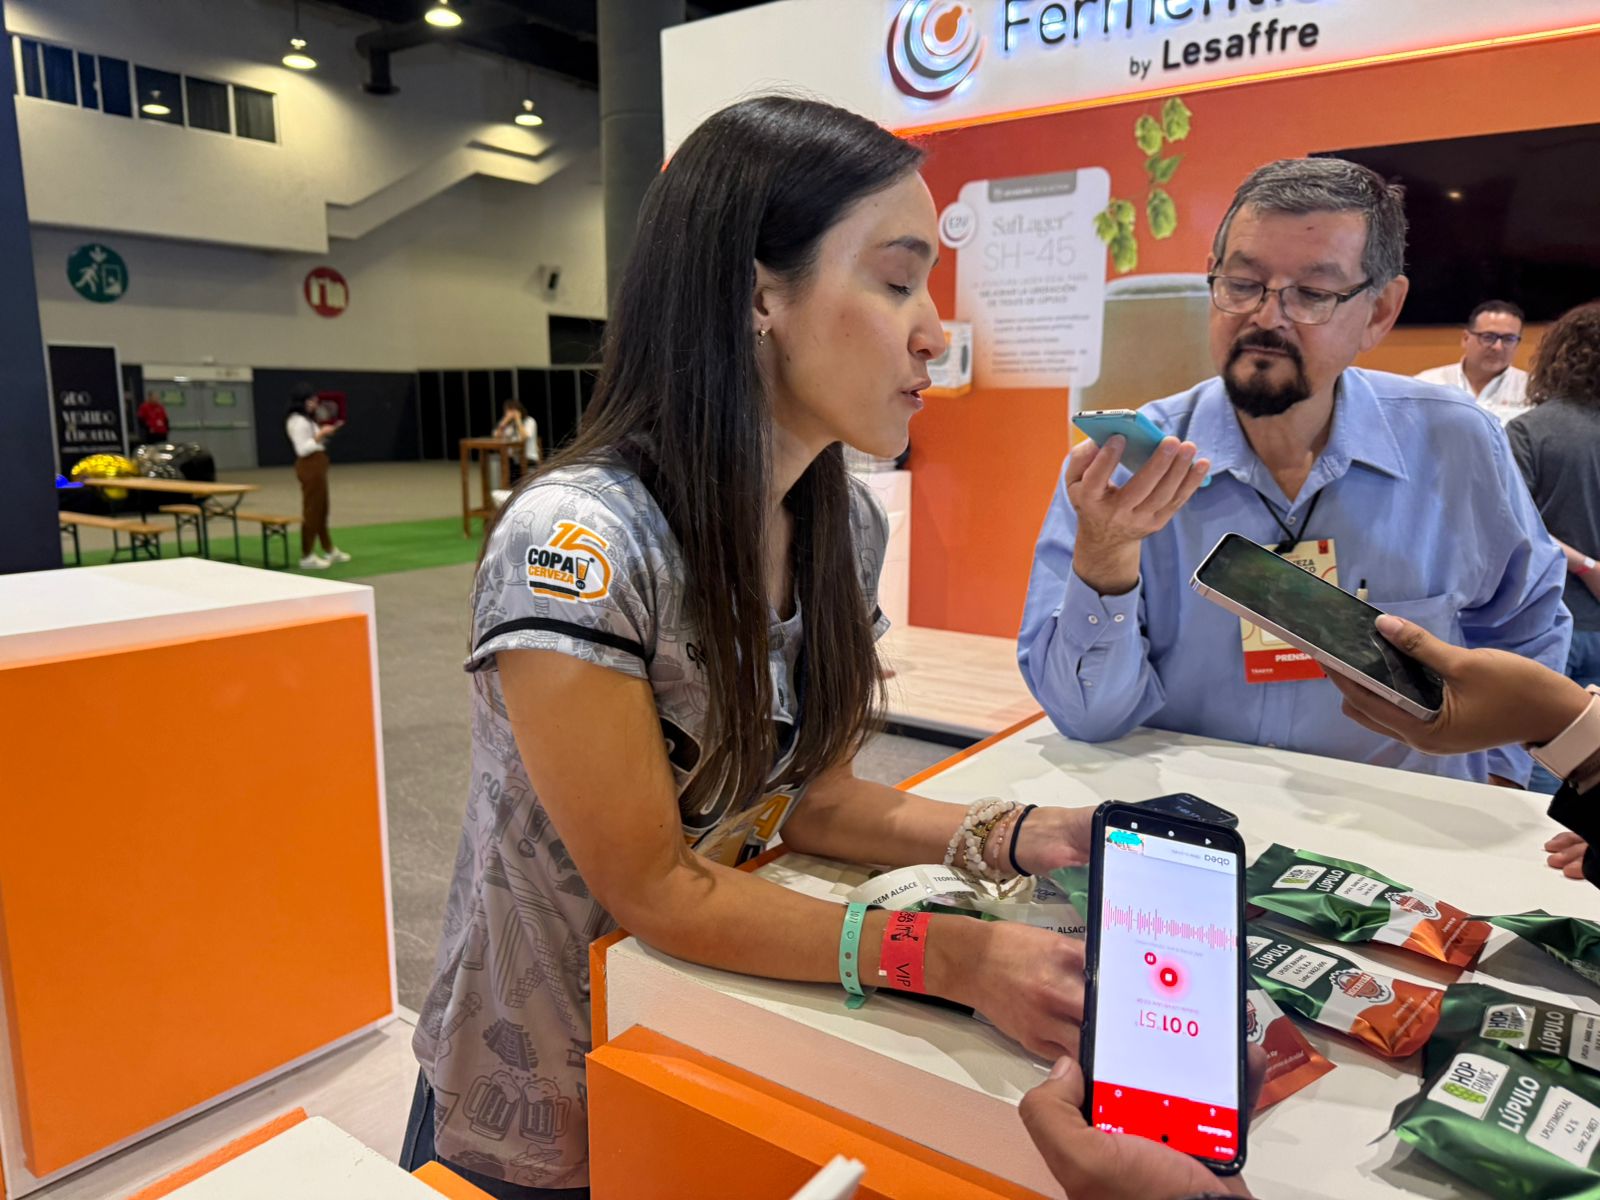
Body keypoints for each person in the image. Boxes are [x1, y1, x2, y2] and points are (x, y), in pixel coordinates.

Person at [403, 96, 1098, 1198]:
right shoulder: (577, 543)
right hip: (541, 1086)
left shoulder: (842, 523)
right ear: (758, 294)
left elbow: (815, 801)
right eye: (896, 280)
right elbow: (658, 888)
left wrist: (1027, 835)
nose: (933, 332)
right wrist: (951, 956)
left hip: (715, 1032)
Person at [1019, 158, 1570, 788]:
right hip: (1196, 817)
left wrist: (1502, 779)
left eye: (1311, 294)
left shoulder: (1456, 444)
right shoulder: (1127, 470)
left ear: (1380, 310)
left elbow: (1526, 626)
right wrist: (1106, 557)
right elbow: (1086, 719)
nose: (1266, 317)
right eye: (1242, 283)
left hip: (1403, 821)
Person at [1506, 302, 1600, 792]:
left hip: (1550, 621)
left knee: (1548, 764)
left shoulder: (1528, 431)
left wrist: (1585, 566)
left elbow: (1515, 528)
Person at [1416, 300, 1530, 424]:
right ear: (1466, 339)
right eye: (1488, 337)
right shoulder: (1427, 384)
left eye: (1509, 339)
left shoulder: (1531, 389)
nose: (1497, 347)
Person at [284, 383, 350, 570]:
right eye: (311, 400)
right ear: (302, 401)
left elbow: (313, 442)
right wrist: (321, 434)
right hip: (309, 466)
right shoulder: (298, 422)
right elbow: (302, 449)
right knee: (312, 511)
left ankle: (328, 548)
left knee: (322, 510)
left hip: (317, 465)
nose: (315, 403)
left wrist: (324, 433)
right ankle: (307, 555)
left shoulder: (307, 420)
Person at [493, 399, 540, 483]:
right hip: (513, 460)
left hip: (528, 458)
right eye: (508, 411)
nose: (510, 414)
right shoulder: (509, 424)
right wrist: (504, 422)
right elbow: (496, 437)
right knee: (507, 471)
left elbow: (524, 437)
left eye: (512, 410)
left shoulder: (529, 421)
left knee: (527, 484)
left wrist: (518, 420)